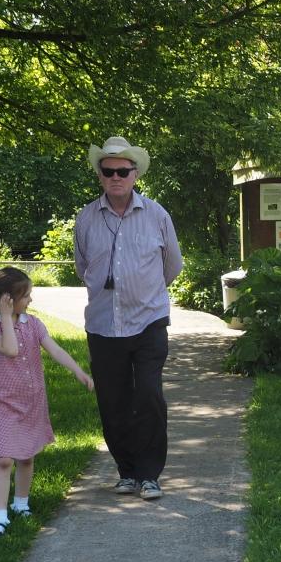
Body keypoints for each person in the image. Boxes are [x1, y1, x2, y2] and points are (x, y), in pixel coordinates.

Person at [74, 135, 183, 501]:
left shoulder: (157, 215)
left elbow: (172, 265)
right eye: (108, 171)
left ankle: (150, 474)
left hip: (149, 321)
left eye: (123, 171)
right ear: (100, 175)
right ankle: (127, 472)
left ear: (135, 174)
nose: (115, 177)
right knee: (113, 401)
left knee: (149, 395)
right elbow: (83, 267)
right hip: (103, 325)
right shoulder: (86, 218)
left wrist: (144, 292)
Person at [0, 267, 95, 537]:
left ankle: (21, 504)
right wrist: (6, 317)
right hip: (1, 403)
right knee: (4, 459)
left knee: (26, 456)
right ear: (6, 299)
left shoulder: (34, 324)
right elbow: (10, 349)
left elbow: (55, 349)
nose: (30, 300)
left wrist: (78, 371)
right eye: (26, 295)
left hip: (30, 400)